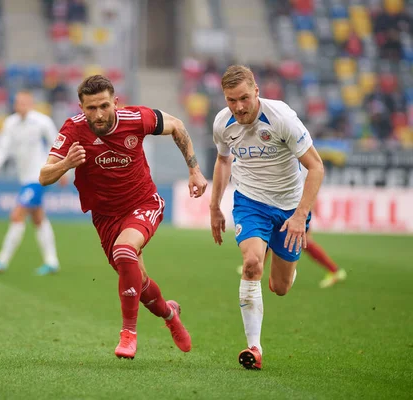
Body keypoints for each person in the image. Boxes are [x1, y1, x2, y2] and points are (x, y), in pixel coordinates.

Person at [39, 75, 208, 359]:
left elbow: (178, 126)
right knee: (137, 282)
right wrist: (67, 163)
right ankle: (170, 314)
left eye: (104, 105)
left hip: (143, 202)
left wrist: (194, 170)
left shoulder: (137, 118)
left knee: (124, 250)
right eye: (90, 108)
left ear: (115, 102)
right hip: (105, 217)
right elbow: (44, 176)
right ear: (81, 107)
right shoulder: (73, 129)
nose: (98, 114)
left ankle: (128, 333)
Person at [209, 65, 325, 370]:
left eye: (244, 98)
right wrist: (214, 206)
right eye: (231, 100)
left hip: (289, 209)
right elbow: (223, 161)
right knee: (251, 264)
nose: (238, 107)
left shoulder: (281, 118)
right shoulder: (223, 123)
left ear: (256, 91)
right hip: (250, 203)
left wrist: (300, 216)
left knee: (280, 288)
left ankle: (279, 253)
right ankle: (254, 348)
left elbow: (316, 167)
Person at [0, 90, 65, 275]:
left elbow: (57, 144)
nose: (21, 106)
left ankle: (2, 260)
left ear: (31, 103)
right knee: (37, 217)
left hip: (40, 176)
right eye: (18, 102)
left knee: (17, 214)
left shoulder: (42, 122)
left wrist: (62, 170)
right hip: (25, 177)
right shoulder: (10, 123)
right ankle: (52, 262)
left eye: (25, 102)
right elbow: (3, 149)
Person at [235, 230, 348, 288]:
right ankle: (259, 265)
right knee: (271, 236)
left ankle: (334, 270)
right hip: (292, 203)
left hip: (295, 205)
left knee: (304, 240)